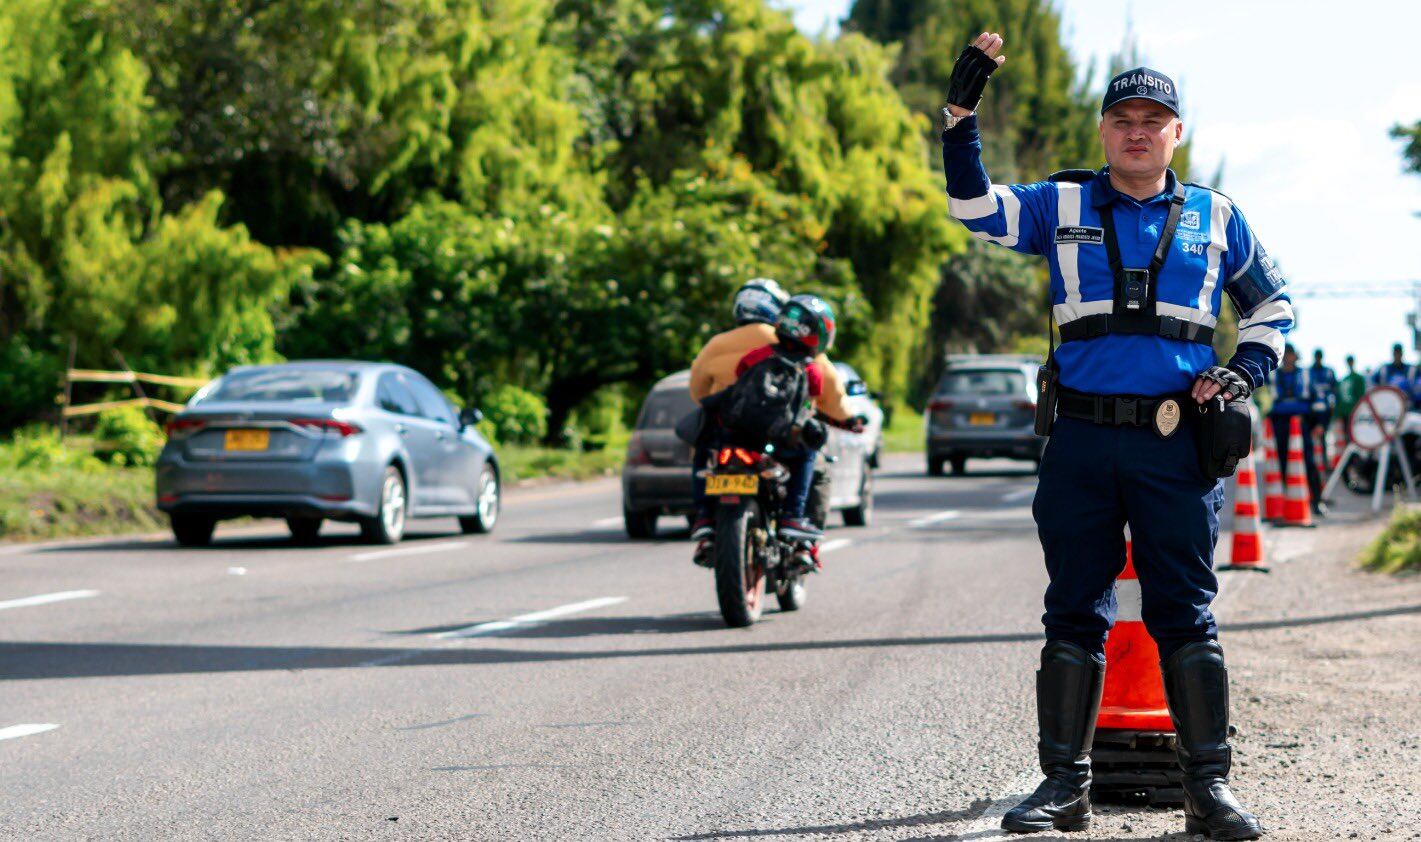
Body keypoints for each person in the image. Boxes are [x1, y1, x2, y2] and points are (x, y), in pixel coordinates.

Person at [942, 33, 1289, 838]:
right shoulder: (1057, 204)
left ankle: (1207, 790)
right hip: (1081, 444)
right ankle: (1063, 788)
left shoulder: (1217, 215)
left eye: (1153, 119)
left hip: (1176, 445)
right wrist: (960, 118)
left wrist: (1244, 372)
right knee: (1073, 611)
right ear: (1102, 130)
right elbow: (972, 209)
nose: (1137, 131)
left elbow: (1272, 306)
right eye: (1122, 118)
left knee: (1185, 614)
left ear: (1177, 133)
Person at [687, 285, 855, 557]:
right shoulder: (810, 360)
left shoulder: (720, 345)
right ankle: (794, 519)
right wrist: (848, 419)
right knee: (809, 457)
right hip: (779, 437)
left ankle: (704, 515)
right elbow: (825, 394)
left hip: (732, 432)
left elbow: (699, 391)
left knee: (703, 445)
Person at [1270, 345, 1323, 513]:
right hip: (1281, 423)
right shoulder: (1273, 374)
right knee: (1283, 462)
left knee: (1309, 462)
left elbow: (1318, 401)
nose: (1287, 358)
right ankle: (1290, 503)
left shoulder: (1306, 375)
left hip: (1302, 424)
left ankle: (1316, 502)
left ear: (1295, 356)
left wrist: (1319, 423)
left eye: (1290, 354)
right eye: (1285, 355)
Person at [1370, 343, 1421, 407]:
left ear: (1402, 353)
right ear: (1393, 353)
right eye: (1396, 352)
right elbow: (1374, 385)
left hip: (1408, 406)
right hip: (1388, 406)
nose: (1397, 354)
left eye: (1399, 352)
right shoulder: (1384, 370)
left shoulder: (1412, 370)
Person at [1335, 355, 1367, 439]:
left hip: (1355, 412)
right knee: (1347, 435)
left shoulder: (1358, 378)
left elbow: (1361, 395)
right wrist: (1337, 413)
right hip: (1345, 412)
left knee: (1357, 435)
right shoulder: (1344, 379)